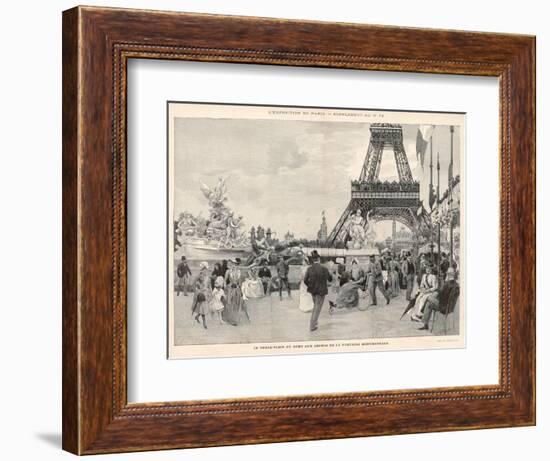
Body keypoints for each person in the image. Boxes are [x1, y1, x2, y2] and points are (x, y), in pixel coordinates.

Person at [304, 250, 333, 331]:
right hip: (321, 292)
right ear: (319, 259)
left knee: (315, 307)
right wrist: (330, 273)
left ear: (313, 259)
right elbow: (330, 279)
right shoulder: (324, 269)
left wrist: (310, 286)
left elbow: (305, 280)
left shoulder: (309, 269)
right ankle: (312, 326)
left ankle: (315, 322)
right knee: (317, 308)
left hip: (312, 292)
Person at [223, 259, 250, 326]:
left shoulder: (239, 272)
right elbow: (224, 280)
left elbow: (240, 282)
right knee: (230, 303)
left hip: (237, 289)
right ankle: (231, 319)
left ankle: (235, 319)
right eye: (233, 264)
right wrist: (225, 287)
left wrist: (241, 290)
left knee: (237, 304)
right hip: (230, 289)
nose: (234, 265)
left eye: (236, 264)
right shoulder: (228, 271)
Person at [190, 262, 211, 329]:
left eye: (206, 269)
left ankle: (197, 316)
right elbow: (193, 283)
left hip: (206, 294)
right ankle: (204, 323)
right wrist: (196, 291)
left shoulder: (208, 277)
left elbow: (209, 286)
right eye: (203, 269)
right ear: (201, 269)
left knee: (203, 308)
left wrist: (210, 292)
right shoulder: (199, 276)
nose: (205, 271)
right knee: (202, 308)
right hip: (200, 294)